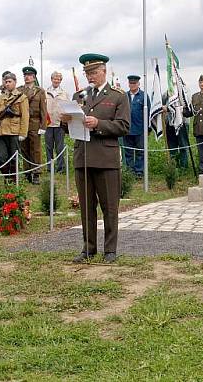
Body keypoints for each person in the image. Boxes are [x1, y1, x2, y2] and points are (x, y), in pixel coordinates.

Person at [62, 53, 130, 264]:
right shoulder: (79, 96)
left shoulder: (118, 96)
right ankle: (88, 248)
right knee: (86, 206)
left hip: (105, 158)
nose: (90, 76)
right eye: (87, 73)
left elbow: (124, 126)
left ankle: (110, 250)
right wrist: (65, 121)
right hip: (83, 157)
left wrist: (98, 123)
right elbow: (71, 127)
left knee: (109, 207)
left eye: (93, 72)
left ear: (104, 71)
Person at [0, 72, 29, 184]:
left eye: (10, 82)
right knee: (1, 157)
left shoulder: (22, 98)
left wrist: (23, 133)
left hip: (14, 131)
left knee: (14, 157)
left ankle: (13, 179)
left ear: (15, 82)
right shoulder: (0, 98)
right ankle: (6, 177)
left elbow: (25, 116)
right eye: (6, 82)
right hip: (1, 131)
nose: (7, 84)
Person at [20, 67, 47, 184]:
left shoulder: (40, 91)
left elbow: (43, 110)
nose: (27, 77)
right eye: (25, 75)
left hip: (35, 123)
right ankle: (26, 171)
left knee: (35, 150)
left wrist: (43, 126)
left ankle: (36, 173)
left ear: (34, 77)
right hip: (23, 124)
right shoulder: (19, 90)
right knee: (24, 148)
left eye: (30, 75)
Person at [122, 75, 149, 177]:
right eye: (131, 83)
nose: (132, 85)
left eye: (134, 83)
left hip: (140, 129)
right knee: (128, 152)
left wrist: (147, 128)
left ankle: (139, 172)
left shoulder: (144, 96)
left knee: (140, 152)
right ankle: (129, 172)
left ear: (138, 84)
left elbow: (148, 113)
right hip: (126, 129)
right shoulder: (124, 96)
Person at [45, 71, 68, 173]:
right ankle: (49, 167)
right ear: (51, 79)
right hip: (48, 124)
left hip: (59, 123)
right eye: (55, 79)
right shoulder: (45, 92)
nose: (56, 81)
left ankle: (60, 167)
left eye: (58, 79)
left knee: (60, 147)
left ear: (61, 81)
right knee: (48, 147)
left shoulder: (64, 93)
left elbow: (67, 108)